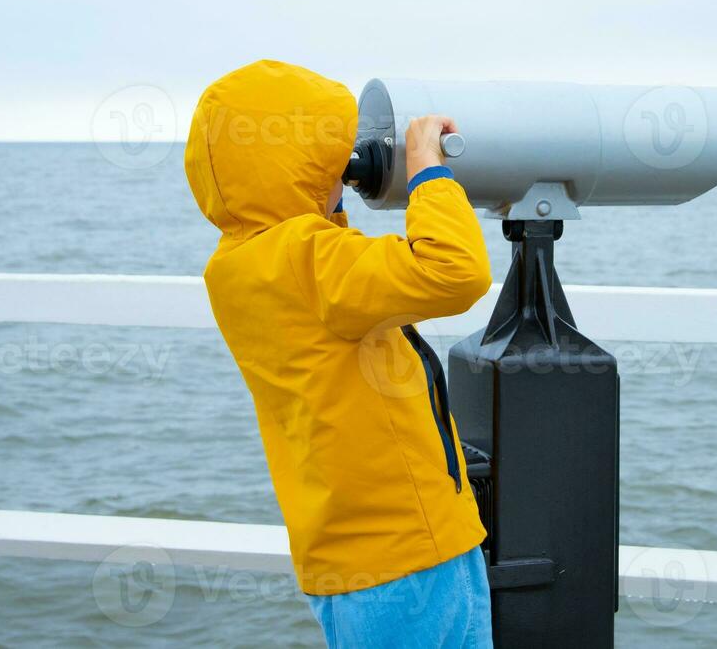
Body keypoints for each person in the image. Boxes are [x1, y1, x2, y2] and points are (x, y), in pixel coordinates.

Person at [184, 60, 495, 648]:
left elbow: (337, 277)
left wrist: (326, 198)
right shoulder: (311, 260)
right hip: (407, 556)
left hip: (346, 558)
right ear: (296, 165)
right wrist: (428, 173)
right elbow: (454, 271)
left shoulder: (238, 265)